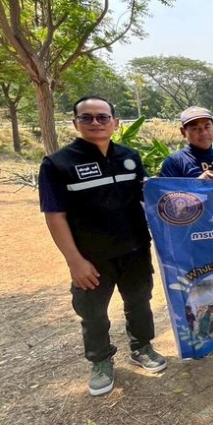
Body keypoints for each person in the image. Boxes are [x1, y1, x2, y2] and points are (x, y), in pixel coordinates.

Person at [38, 96, 167, 397]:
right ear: (75, 123)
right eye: (87, 118)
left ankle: (142, 347)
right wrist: (74, 261)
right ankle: (100, 361)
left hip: (134, 249)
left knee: (139, 301)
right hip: (90, 257)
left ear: (114, 122)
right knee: (93, 312)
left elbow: (146, 195)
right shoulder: (58, 164)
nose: (95, 123)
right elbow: (55, 216)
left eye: (102, 117)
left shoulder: (130, 156)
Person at [160, 107, 213, 182]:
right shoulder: (175, 162)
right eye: (195, 128)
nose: (204, 133)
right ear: (183, 132)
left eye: (207, 127)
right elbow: (167, 192)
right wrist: (197, 183)